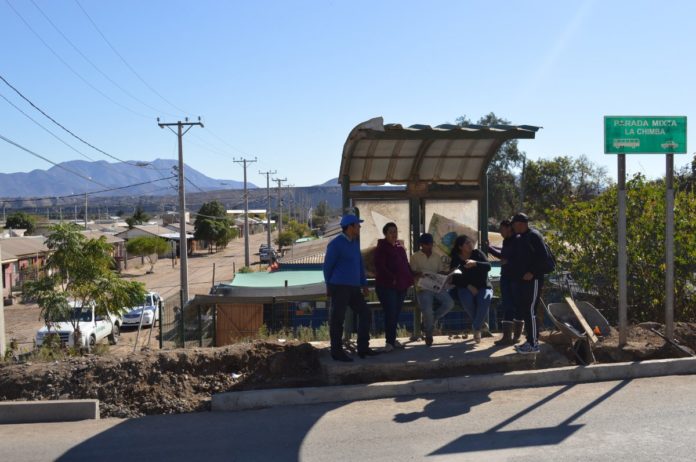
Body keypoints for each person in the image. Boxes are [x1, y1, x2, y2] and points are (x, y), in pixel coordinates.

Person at [323, 214, 379, 362]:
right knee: (337, 319)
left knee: (365, 313)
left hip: (354, 288)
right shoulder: (335, 244)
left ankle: (363, 348)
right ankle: (336, 351)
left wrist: (364, 284)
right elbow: (327, 267)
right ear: (350, 227)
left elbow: (359, 265)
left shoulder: (355, 243)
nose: (359, 227)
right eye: (357, 225)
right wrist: (328, 284)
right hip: (339, 287)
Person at [509, 212, 552, 354]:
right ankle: (529, 341)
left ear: (521, 224)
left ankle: (534, 344)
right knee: (526, 310)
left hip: (534, 280)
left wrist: (532, 272)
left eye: (514, 225)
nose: (513, 228)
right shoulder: (520, 237)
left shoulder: (533, 236)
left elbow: (543, 258)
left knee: (530, 310)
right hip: (523, 281)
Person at [374, 222, 414, 352]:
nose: (394, 234)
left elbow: (406, 264)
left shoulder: (400, 248)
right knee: (390, 313)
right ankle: (389, 342)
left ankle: (392, 340)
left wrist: (411, 276)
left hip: (401, 286)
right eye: (391, 232)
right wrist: (393, 278)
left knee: (395, 313)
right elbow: (380, 267)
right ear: (385, 234)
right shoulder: (381, 248)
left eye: (395, 232)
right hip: (387, 286)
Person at [410, 233, 454, 346]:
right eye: (427, 244)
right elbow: (411, 272)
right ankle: (429, 334)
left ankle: (432, 319)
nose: (429, 246)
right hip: (423, 288)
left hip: (436, 286)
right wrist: (419, 274)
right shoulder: (415, 257)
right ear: (421, 245)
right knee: (427, 310)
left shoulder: (436, 257)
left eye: (431, 244)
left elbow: (439, 271)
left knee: (449, 303)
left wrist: (447, 274)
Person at [449, 235, 492, 343]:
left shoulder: (477, 253)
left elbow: (488, 266)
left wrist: (476, 264)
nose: (470, 244)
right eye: (467, 243)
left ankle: (476, 327)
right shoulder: (456, 259)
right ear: (460, 247)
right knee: (466, 299)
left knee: (485, 299)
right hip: (465, 287)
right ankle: (480, 324)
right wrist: (468, 286)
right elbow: (455, 278)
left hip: (483, 286)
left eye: (471, 242)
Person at [487, 219, 522, 345]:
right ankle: (510, 336)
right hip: (506, 275)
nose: (500, 232)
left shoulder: (517, 240)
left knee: (512, 305)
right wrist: (490, 248)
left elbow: (510, 257)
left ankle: (513, 336)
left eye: (502, 229)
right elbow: (503, 255)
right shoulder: (507, 240)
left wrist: (490, 249)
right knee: (509, 305)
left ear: (509, 228)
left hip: (514, 277)